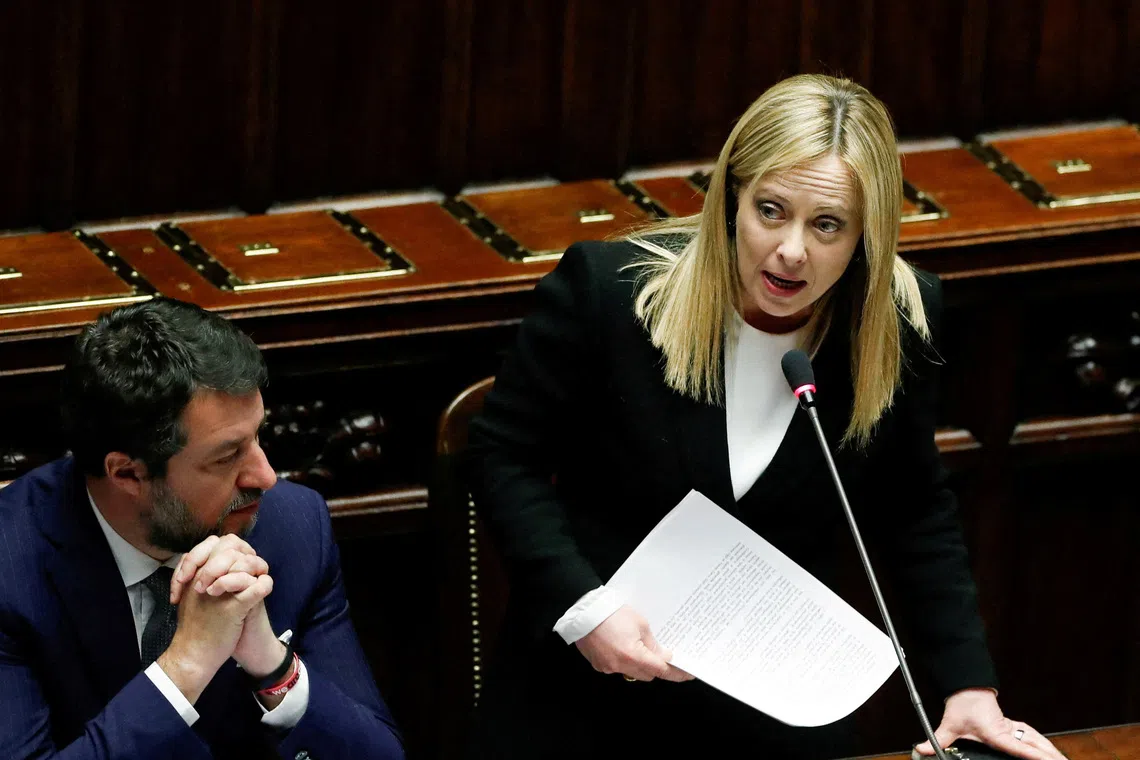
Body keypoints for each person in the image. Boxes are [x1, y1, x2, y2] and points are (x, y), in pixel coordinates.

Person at [467, 75, 1065, 759]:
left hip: (774, 714)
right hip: (583, 697)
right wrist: (585, 608)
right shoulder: (610, 293)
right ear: (732, 199)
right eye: (771, 211)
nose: (791, 250)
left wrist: (968, 686)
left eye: (827, 225)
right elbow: (502, 455)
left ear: (867, 234)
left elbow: (913, 506)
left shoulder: (898, 319)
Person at [0, 298, 405, 759]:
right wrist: (185, 666)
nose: (266, 477)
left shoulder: (291, 525)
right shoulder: (11, 568)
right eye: (227, 456)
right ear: (127, 474)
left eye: (257, 436)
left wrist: (274, 668)